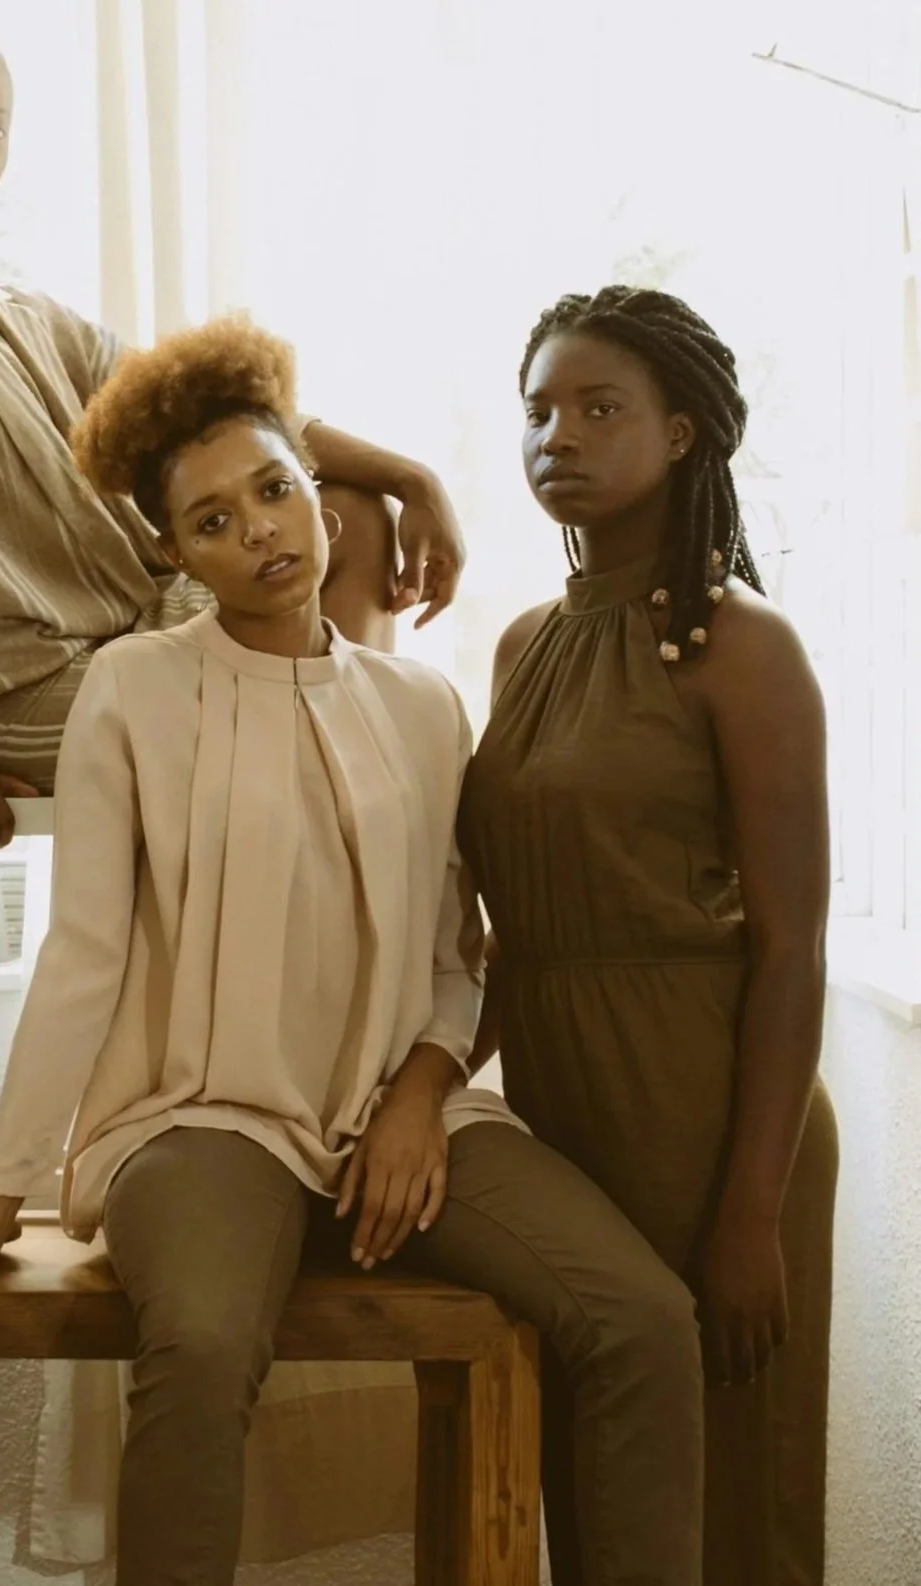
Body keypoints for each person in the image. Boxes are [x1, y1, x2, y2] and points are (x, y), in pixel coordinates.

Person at [0, 317, 705, 1586]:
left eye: (273, 490)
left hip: (404, 1113)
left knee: (641, 1315)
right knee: (203, 1343)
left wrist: (418, 1094)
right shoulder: (132, 688)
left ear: (317, 493)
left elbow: (457, 957)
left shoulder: (423, 704)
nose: (261, 533)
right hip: (200, 1116)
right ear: (173, 553)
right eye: (213, 520)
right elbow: (81, 959)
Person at [0, 15, 471, 951]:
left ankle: (342, 813)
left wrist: (415, 478)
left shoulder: (23, 313)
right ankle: (349, 890)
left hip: (133, 626)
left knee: (353, 517)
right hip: (0, 686)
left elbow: (215, 408)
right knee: (265, 695)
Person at [461, 284, 840, 1586]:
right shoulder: (523, 645)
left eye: (598, 408)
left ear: (680, 435)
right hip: (566, 1112)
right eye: (537, 411)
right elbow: (511, 923)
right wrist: (422, 1079)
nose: (556, 436)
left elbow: (790, 949)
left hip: (713, 1111)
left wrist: (751, 1213)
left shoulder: (745, 647)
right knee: (603, 1488)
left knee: (734, 1495)